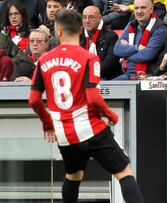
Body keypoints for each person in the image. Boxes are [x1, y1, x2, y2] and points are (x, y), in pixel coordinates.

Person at [28, 9, 143, 203]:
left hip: (64, 132)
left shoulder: (44, 61)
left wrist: (48, 123)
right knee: (124, 172)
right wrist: (110, 115)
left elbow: (33, 100)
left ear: (58, 31)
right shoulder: (88, 57)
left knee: (73, 175)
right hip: (90, 128)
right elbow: (93, 97)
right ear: (81, 30)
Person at [113, 0, 167, 80]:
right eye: (136, 8)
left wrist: (126, 57)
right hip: (128, 75)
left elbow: (148, 54)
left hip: (148, 76)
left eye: (143, 7)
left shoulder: (160, 28)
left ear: (151, 9)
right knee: (105, 89)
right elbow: (117, 50)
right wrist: (137, 47)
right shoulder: (131, 25)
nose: (139, 11)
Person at [80, 6, 122, 80]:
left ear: (99, 18)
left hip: (105, 77)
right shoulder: (78, 36)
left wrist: (87, 73)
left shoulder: (111, 36)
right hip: (83, 76)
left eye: (91, 17)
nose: (87, 21)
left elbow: (108, 65)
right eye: (84, 17)